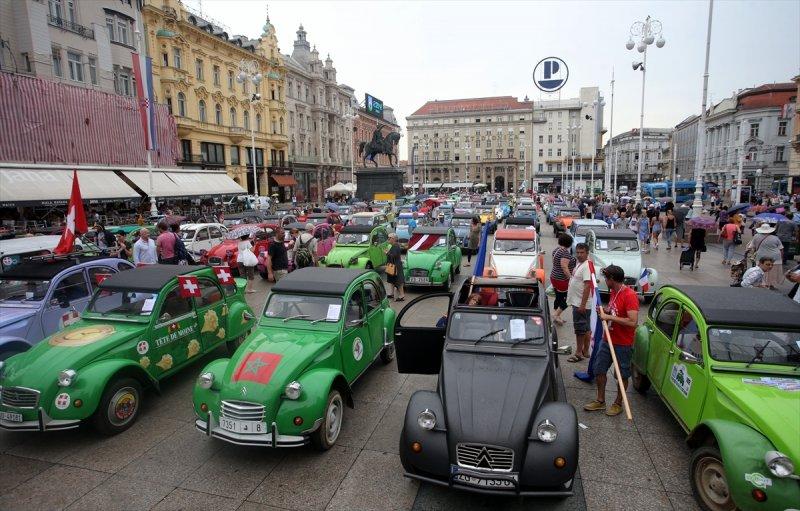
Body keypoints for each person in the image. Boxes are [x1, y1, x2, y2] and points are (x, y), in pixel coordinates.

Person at [584, 265, 639, 417]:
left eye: (606, 278)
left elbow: (633, 322)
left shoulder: (630, 295)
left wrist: (609, 317)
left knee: (621, 375)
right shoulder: (614, 291)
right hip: (607, 340)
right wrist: (606, 311)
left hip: (623, 343)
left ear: (612, 279)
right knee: (599, 369)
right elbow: (613, 309)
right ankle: (600, 401)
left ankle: (618, 403)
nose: (604, 280)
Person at [566, 243, 592, 362]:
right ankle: (585, 351)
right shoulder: (580, 264)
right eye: (578, 252)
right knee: (585, 328)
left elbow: (587, 285)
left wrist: (582, 304)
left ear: (587, 253)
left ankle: (578, 353)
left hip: (581, 304)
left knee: (580, 329)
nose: (579, 255)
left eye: (582, 253)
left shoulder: (586, 265)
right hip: (578, 302)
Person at [747, 223, 784, 288]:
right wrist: (781, 257)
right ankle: (771, 284)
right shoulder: (775, 238)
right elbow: (781, 249)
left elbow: (751, 246)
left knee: (761, 271)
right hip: (775, 257)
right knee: (773, 271)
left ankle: (763, 283)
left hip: (761, 258)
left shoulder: (756, 236)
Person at [550, 233, 575, 326]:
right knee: (568, 299)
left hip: (554, 276)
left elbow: (554, 263)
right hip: (562, 280)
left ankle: (557, 315)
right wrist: (571, 279)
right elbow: (564, 267)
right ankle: (556, 314)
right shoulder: (565, 253)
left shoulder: (556, 250)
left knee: (559, 297)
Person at [385, 232, 405, 301]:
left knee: (398, 281)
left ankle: (402, 295)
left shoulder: (396, 246)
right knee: (391, 280)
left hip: (396, 266)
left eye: (389, 238)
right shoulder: (391, 245)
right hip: (391, 265)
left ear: (393, 239)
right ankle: (391, 293)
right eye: (388, 238)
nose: (388, 239)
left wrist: (387, 253)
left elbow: (394, 255)